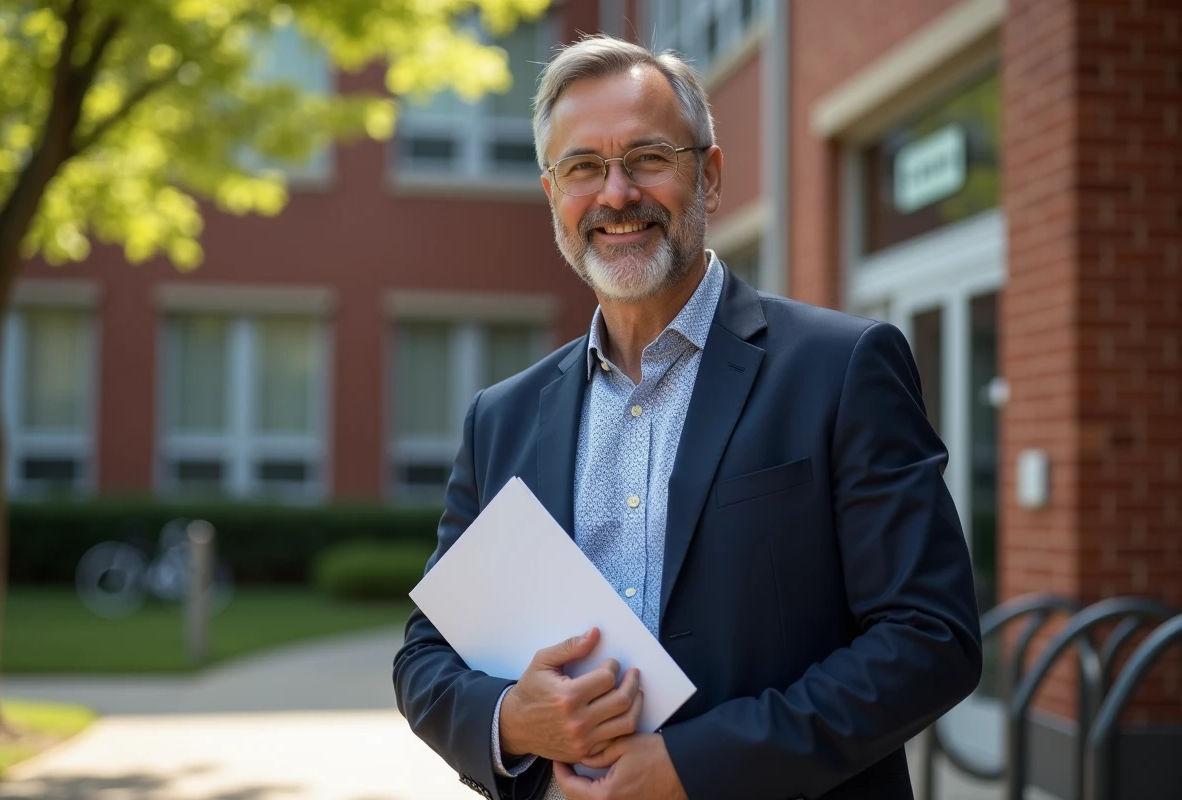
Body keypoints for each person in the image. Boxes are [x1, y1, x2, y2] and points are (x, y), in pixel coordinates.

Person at [393, 34, 982, 800]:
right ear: (552, 195)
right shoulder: (500, 418)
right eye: (583, 168)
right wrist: (511, 719)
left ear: (709, 176)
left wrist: (693, 767)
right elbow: (426, 654)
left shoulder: (841, 369)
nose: (615, 195)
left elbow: (929, 638)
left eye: (648, 157)